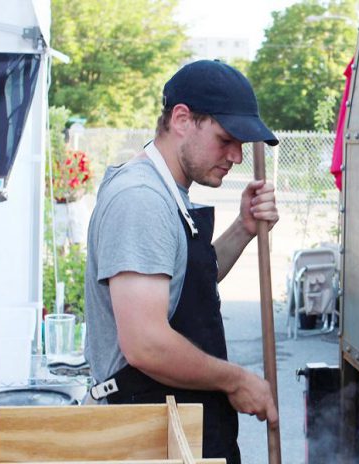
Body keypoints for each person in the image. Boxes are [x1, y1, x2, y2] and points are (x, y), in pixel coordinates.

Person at [83, 60, 280, 464]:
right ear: (182, 119)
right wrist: (237, 380)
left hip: (176, 421)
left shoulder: (167, 192)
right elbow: (146, 345)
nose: (237, 156)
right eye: (226, 139)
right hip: (147, 430)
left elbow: (187, 285)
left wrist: (243, 228)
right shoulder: (141, 200)